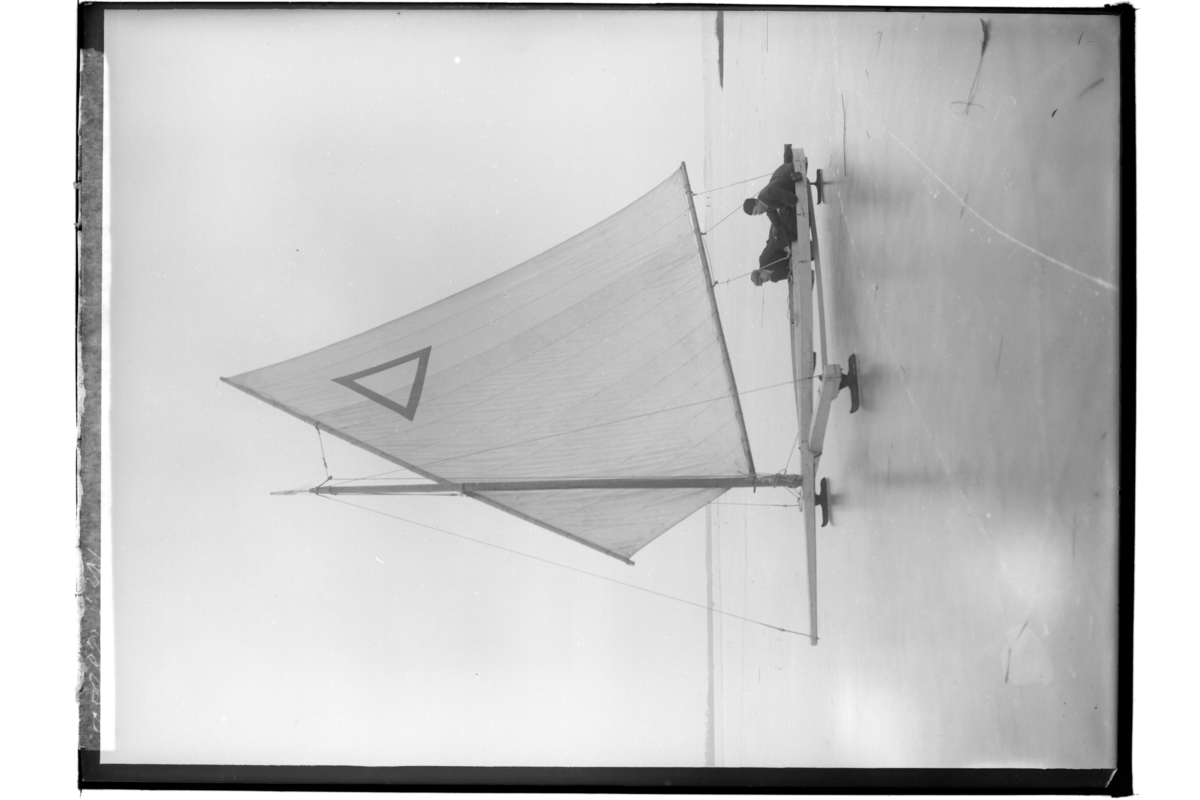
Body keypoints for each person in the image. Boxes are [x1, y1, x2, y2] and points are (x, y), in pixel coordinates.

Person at [743, 162, 804, 242]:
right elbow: (772, 215)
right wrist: (778, 228)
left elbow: (793, 200)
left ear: (757, 202)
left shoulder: (769, 193)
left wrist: (792, 205)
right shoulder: (764, 204)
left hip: (792, 170)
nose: (758, 213)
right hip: (782, 177)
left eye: (756, 211)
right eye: (755, 214)